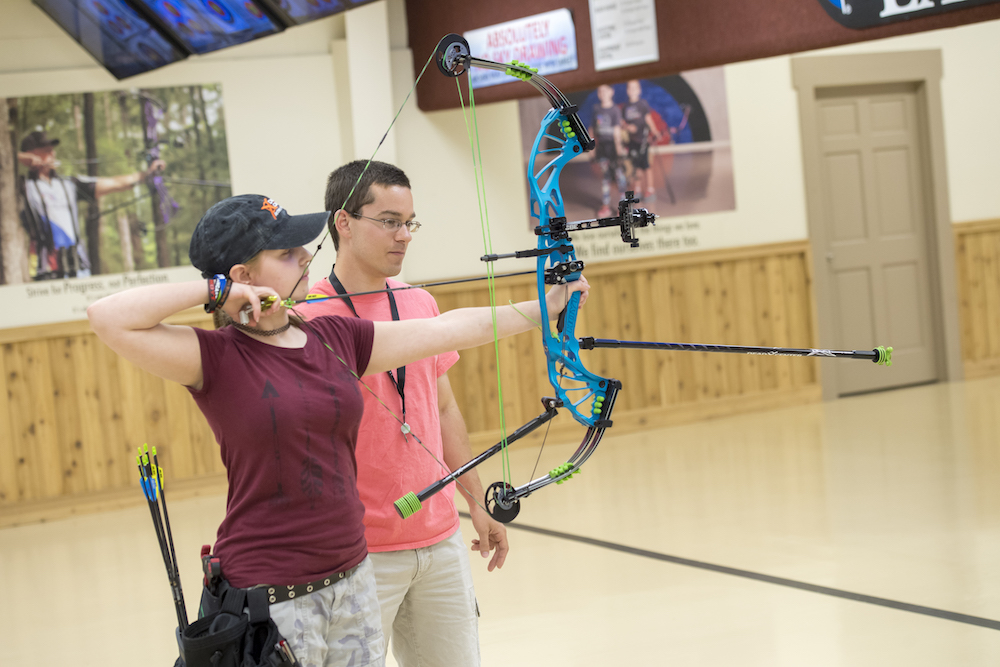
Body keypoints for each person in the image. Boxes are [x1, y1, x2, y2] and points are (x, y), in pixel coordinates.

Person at [86, 193, 589, 667]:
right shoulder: (214, 356)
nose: (306, 256)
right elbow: (107, 317)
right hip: (271, 597)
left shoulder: (333, 335)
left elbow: (445, 330)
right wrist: (218, 289)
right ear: (243, 274)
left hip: (353, 578)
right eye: (286, 253)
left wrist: (550, 304)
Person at [295, 161, 504, 666]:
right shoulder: (306, 317)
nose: (404, 235)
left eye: (410, 222)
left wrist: (475, 499)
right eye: (389, 221)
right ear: (343, 222)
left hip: (439, 540)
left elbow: (445, 407)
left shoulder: (419, 304)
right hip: (354, 556)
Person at [18, 127, 165, 279]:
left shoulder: (69, 184)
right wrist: (20, 158)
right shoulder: (20, 186)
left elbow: (113, 183)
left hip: (77, 264)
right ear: (31, 154)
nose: (52, 154)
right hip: (47, 267)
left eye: (52, 150)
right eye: (46, 150)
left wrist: (146, 174)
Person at [589, 84, 627, 219]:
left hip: (613, 149)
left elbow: (617, 131)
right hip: (602, 149)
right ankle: (606, 205)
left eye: (605, 90)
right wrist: (591, 148)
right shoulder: (596, 109)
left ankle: (623, 205)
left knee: (619, 177)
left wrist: (619, 151)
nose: (603, 93)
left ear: (611, 92)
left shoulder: (615, 110)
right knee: (605, 178)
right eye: (600, 91)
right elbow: (592, 128)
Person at [621, 80, 663, 199]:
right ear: (627, 91)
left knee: (646, 165)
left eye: (635, 88)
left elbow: (648, 119)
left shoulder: (642, 104)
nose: (633, 91)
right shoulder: (626, 107)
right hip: (632, 141)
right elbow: (623, 122)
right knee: (636, 166)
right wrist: (628, 127)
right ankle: (638, 188)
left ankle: (650, 189)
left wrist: (655, 132)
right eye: (630, 88)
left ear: (639, 90)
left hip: (643, 141)